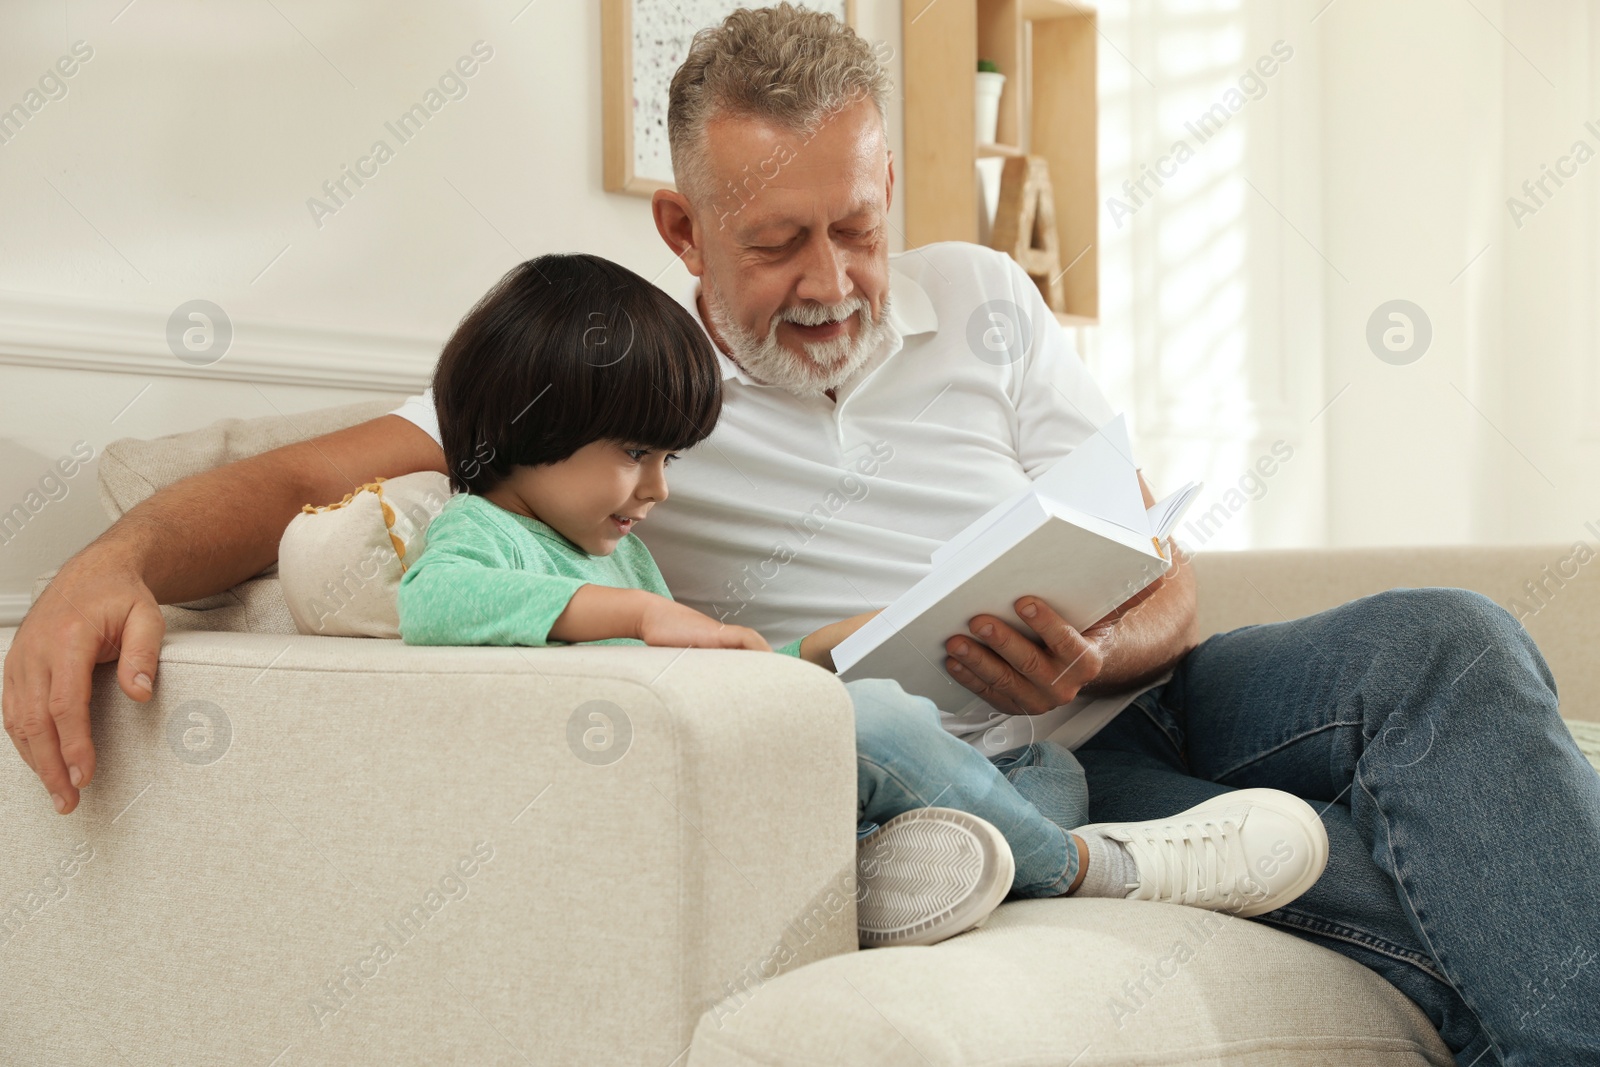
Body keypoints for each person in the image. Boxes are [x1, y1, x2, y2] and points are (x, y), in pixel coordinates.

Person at [6, 4, 1597, 1061]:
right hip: (984, 763)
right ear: (685, 228)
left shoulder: (987, 301)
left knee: (1448, 637)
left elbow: (1161, 565)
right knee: (1438, 889)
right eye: (778, 242)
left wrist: (1109, 638)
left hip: (1138, 692)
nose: (834, 277)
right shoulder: (606, 387)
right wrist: (112, 560)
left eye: (861, 221)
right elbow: (309, 482)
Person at [389, 249, 1329, 946]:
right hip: (671, 790)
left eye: (668, 458)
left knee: (1046, 771)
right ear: (529, 424)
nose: (659, 489)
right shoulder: (485, 530)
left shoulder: (615, 552)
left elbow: (715, 666)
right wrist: (637, 617)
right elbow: (436, 601)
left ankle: (898, 878)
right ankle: (1098, 870)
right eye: (636, 454)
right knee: (874, 719)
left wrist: (815, 649)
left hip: (761, 767)